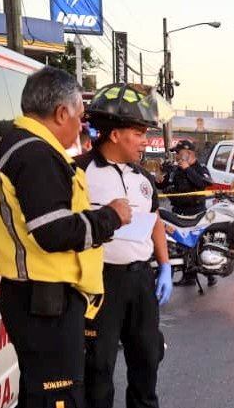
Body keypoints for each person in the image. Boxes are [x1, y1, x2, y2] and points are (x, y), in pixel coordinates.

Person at [0, 67, 131, 408]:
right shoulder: (36, 156)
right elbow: (53, 231)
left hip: (39, 297)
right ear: (61, 112)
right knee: (57, 396)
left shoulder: (20, 147)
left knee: (44, 392)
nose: (82, 126)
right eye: (79, 117)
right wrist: (111, 216)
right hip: (44, 300)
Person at [78, 84, 173, 408]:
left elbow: (155, 220)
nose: (145, 141)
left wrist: (164, 266)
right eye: (139, 132)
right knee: (98, 369)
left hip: (140, 280)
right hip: (99, 284)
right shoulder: (78, 172)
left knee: (148, 360)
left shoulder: (142, 178)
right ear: (115, 134)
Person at [155, 139, 214, 286]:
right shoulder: (176, 170)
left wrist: (188, 169)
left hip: (196, 212)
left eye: (178, 153)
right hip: (179, 212)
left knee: (201, 243)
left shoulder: (200, 168)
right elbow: (164, 184)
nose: (176, 156)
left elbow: (203, 183)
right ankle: (188, 276)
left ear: (188, 154)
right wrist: (159, 180)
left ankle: (210, 273)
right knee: (182, 245)